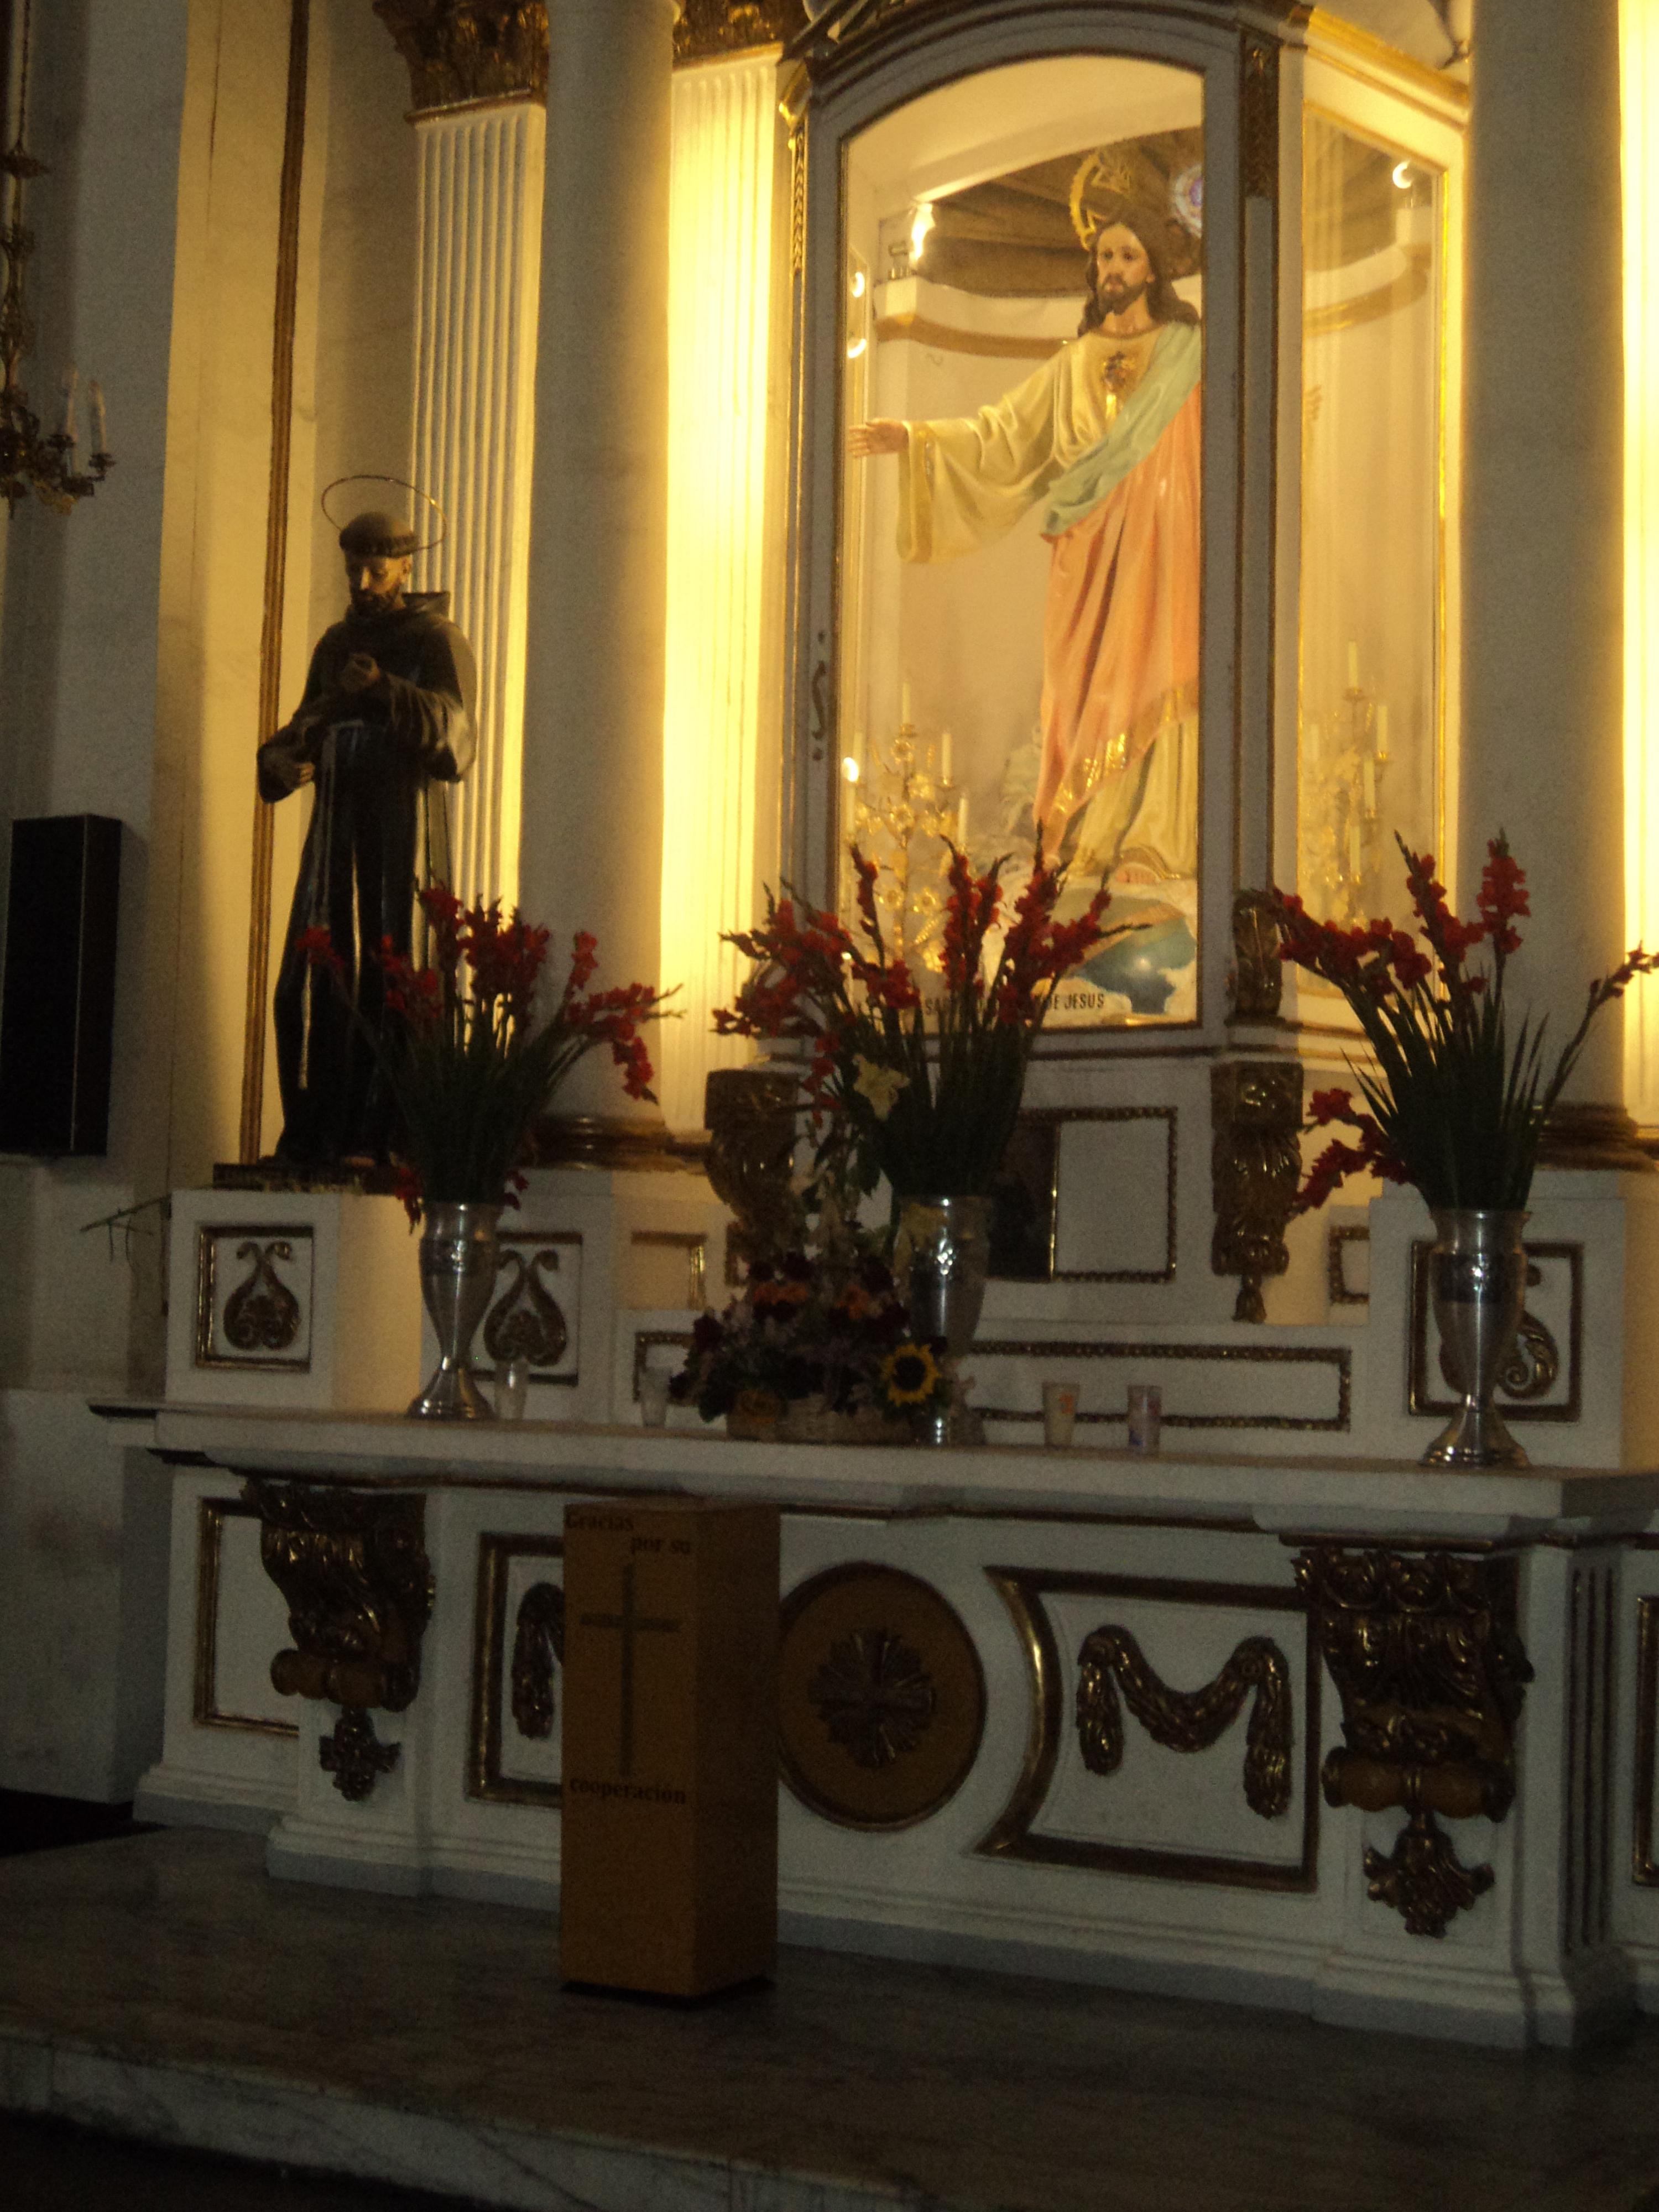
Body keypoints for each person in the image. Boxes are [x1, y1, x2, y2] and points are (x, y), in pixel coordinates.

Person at [850, 198, 1200, 885]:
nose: (1114, 268)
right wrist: (916, 438)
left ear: (1153, 268)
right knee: (1083, 692)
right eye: (1105, 256)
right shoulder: (1074, 365)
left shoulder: (1188, 351)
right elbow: (1002, 433)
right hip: (1087, 549)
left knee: (1160, 671)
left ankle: (1155, 840)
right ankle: (1091, 837)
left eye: (1128, 255)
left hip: (1166, 546)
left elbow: (1228, 440)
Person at [259, 509, 477, 1167]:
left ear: (405, 567)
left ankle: (384, 1136)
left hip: (400, 827)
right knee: (311, 977)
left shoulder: (435, 638)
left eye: (375, 570)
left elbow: (457, 736)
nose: (361, 583)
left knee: (393, 969)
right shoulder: (334, 645)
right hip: (337, 830)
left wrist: (384, 690)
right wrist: (280, 762)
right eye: (352, 569)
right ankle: (316, 1130)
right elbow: (307, 723)